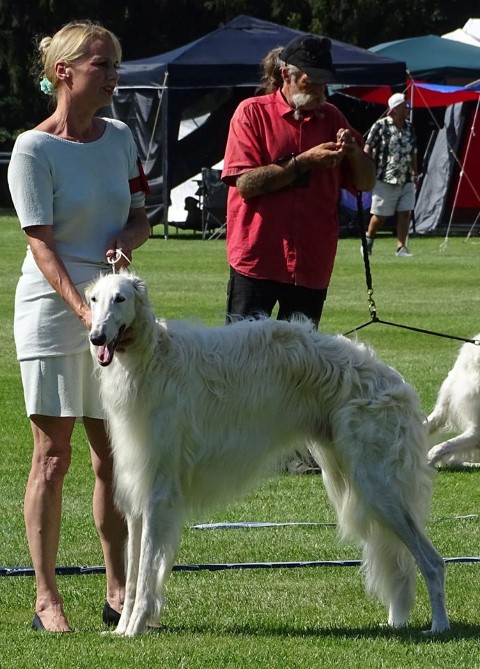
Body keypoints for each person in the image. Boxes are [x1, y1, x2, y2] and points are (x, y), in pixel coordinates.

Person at [7, 20, 151, 632]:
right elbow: (41, 244)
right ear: (64, 72)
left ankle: (119, 591)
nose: (114, 75)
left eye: (115, 64)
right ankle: (46, 600)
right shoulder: (32, 149)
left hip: (112, 311)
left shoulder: (121, 137)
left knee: (112, 456)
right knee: (52, 456)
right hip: (52, 309)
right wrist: (84, 311)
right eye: (102, 64)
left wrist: (127, 240)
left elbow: (142, 215)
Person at [222, 34, 375, 329]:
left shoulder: (333, 118)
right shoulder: (251, 113)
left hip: (311, 262)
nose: (319, 89)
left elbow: (366, 182)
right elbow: (246, 184)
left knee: (299, 355)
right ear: (286, 76)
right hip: (258, 260)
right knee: (242, 352)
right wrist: (305, 161)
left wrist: (354, 152)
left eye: (323, 82)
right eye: (310, 81)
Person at [363, 92, 419, 257]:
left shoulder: (410, 127)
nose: (408, 109)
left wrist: (415, 173)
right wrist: (368, 169)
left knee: (405, 212)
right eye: (405, 106)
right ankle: (368, 239)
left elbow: (413, 152)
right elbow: (368, 147)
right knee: (380, 215)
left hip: (406, 178)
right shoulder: (380, 126)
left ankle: (401, 247)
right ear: (395, 109)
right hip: (385, 178)